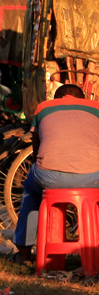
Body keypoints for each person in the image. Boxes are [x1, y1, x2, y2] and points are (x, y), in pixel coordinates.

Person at [13, 83, 99, 264]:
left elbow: (36, 150)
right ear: (82, 98)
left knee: (30, 190)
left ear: (57, 99)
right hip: (92, 177)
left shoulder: (44, 107)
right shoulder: (96, 107)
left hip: (49, 175)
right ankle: (93, 251)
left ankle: (24, 254)